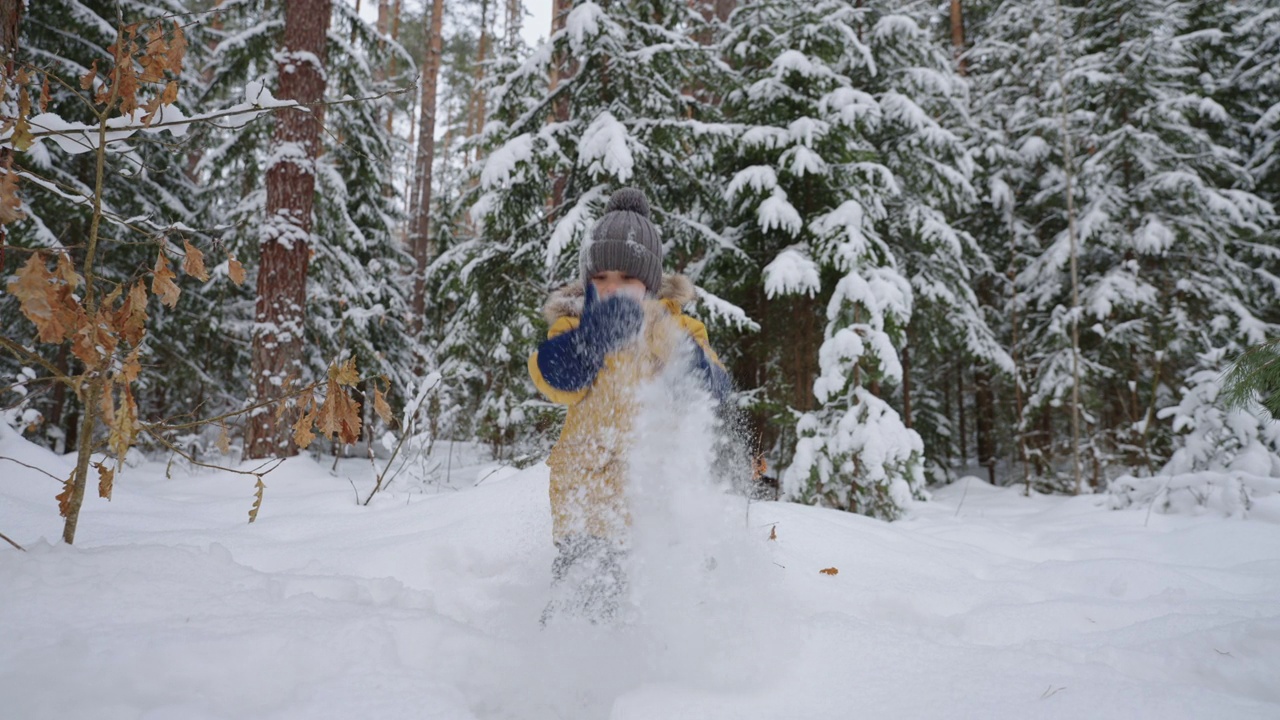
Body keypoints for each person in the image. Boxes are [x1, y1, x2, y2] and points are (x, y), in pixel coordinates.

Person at [528, 187, 730, 623]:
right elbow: (553, 378)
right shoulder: (574, 326)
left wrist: (667, 341)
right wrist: (590, 340)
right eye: (599, 279)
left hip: (655, 499)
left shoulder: (680, 327)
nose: (611, 288)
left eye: (625, 278)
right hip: (586, 498)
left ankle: (661, 678)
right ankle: (564, 669)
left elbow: (712, 390)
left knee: (656, 606)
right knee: (581, 602)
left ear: (651, 284)